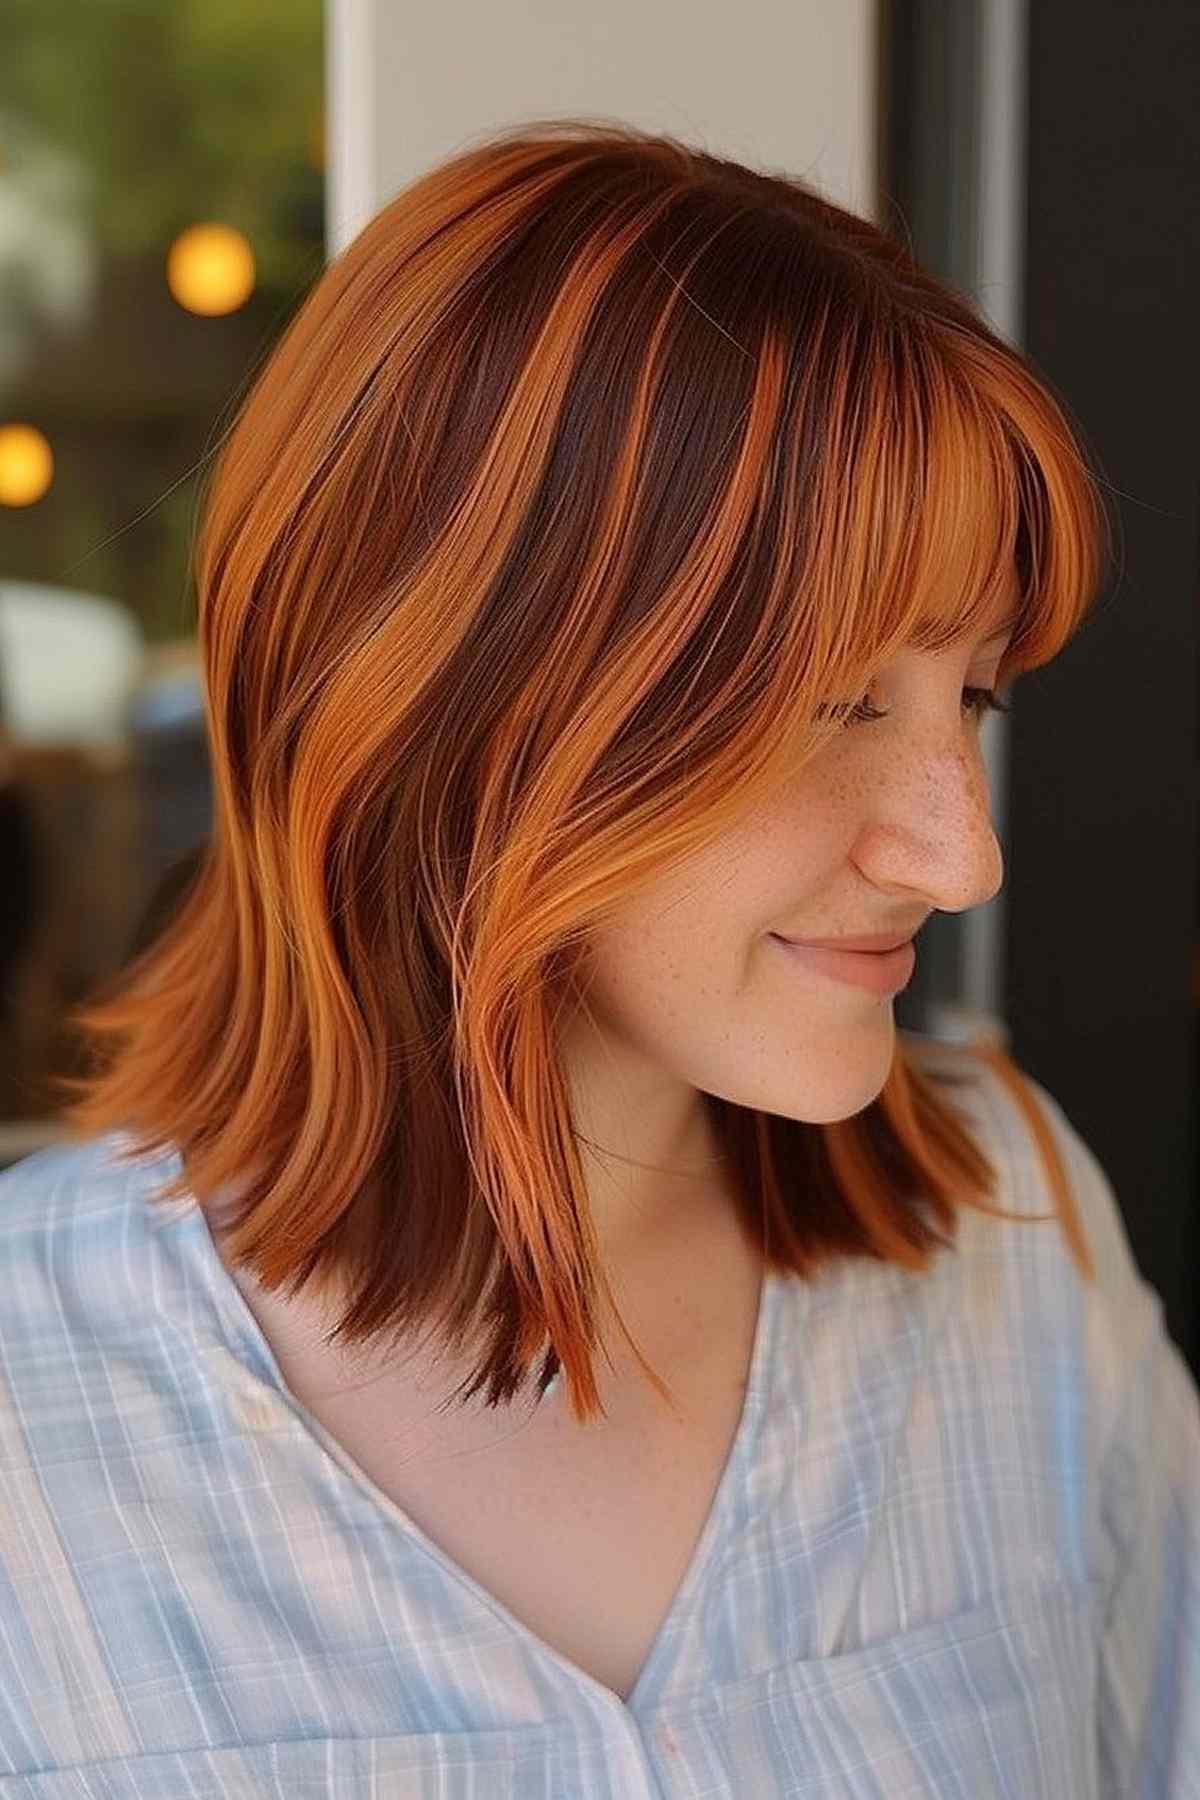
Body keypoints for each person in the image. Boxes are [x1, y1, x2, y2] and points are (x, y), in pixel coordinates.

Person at [0, 118, 1194, 1796]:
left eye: (971, 697)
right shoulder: (26, 1417)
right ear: (450, 705)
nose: (960, 851)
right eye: (836, 704)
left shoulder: (1011, 1238)